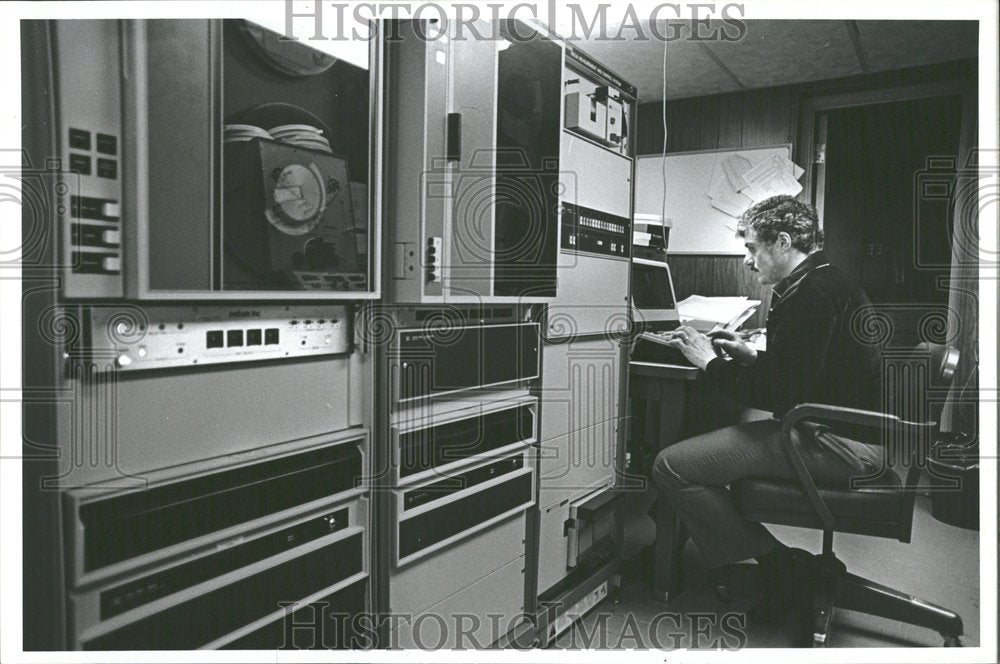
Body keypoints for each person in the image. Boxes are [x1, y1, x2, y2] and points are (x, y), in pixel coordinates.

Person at [651, 195, 884, 635]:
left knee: (671, 467)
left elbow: (783, 395)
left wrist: (710, 363)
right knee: (710, 444)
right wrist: (750, 357)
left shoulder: (811, 294)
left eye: (752, 249)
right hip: (841, 427)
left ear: (782, 243)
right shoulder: (822, 281)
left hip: (842, 445)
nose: (747, 261)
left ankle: (779, 566)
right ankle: (769, 560)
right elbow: (807, 374)